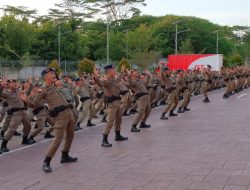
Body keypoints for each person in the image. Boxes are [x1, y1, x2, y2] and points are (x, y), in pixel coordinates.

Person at [25, 68, 77, 173]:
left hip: (68, 113)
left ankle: (65, 155)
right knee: (58, 138)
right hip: (60, 116)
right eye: (52, 73)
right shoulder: (43, 90)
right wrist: (25, 100)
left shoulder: (54, 86)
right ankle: (46, 162)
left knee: (71, 135)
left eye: (54, 73)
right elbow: (34, 103)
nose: (55, 75)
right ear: (46, 77)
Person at [93, 64, 128, 147]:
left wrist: (122, 72)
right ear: (109, 71)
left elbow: (118, 79)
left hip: (117, 103)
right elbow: (101, 84)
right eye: (113, 70)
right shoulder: (106, 80)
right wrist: (95, 77)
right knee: (110, 122)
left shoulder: (113, 79)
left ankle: (117, 135)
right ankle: (104, 140)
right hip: (112, 104)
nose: (114, 71)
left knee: (119, 120)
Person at [0, 79, 35, 153]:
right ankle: (3, 145)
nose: (15, 84)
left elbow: (28, 92)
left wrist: (31, 85)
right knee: (12, 129)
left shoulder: (19, 92)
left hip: (23, 112)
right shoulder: (7, 94)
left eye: (15, 82)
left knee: (28, 126)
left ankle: (25, 140)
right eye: (13, 83)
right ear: (9, 85)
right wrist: (1, 86)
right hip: (16, 113)